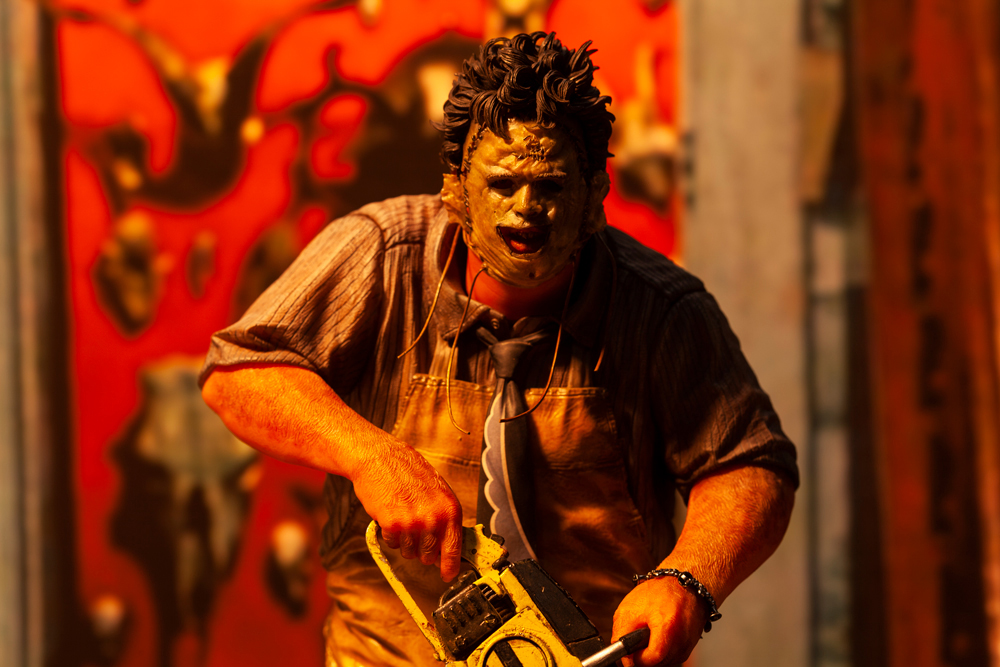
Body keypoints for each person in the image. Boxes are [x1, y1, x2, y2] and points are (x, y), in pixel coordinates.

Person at [200, 32, 797, 667]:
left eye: (551, 186)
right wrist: (370, 455)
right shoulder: (379, 253)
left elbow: (750, 462)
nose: (526, 210)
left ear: (595, 195)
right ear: (456, 188)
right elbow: (237, 372)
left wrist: (688, 579)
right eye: (503, 184)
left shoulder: (662, 307)